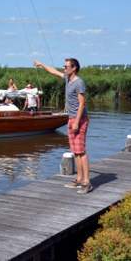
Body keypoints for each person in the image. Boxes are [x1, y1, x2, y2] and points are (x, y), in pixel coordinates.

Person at [34, 58, 92, 194]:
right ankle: (79, 179)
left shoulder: (79, 82)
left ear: (74, 68)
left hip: (80, 119)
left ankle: (87, 182)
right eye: (64, 66)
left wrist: (77, 122)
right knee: (75, 151)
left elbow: (82, 103)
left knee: (81, 151)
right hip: (71, 118)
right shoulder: (67, 78)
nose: (64, 69)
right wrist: (42, 64)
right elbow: (53, 72)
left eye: (66, 67)